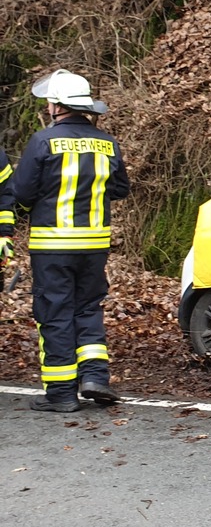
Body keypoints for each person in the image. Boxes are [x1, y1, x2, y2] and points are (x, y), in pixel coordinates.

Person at [12, 69, 130, 413]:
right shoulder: (107, 143)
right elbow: (120, 189)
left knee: (55, 312)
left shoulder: (42, 141)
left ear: (55, 106)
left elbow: (21, 192)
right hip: (94, 246)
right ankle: (95, 376)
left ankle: (62, 393)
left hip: (52, 246)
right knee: (88, 307)